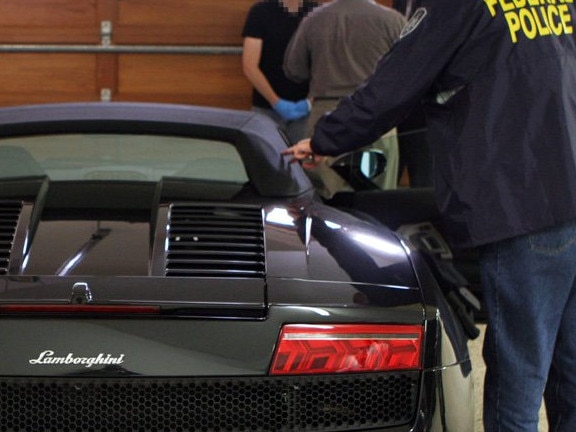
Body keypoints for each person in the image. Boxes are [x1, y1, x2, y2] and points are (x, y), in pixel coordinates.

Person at [283, 2, 576, 431]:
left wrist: (328, 138)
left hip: (524, 204)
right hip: (566, 187)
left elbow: (398, 80)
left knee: (519, 372)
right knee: (569, 368)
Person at [283, 0, 407, 194]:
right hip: (378, 116)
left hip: (327, 116)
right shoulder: (393, 20)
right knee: (379, 197)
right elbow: (409, 71)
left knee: (326, 198)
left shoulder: (314, 19)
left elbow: (294, 70)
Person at [242, 0, 317, 144]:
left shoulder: (317, 13)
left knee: (305, 163)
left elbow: (326, 64)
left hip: (308, 109)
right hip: (266, 108)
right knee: (265, 161)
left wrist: (309, 102)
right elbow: (249, 66)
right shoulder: (260, 12)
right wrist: (275, 101)